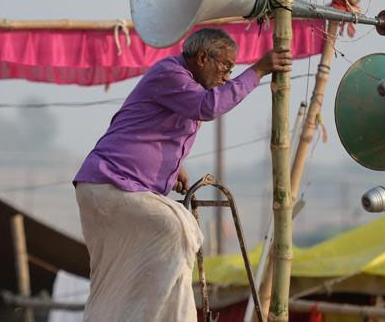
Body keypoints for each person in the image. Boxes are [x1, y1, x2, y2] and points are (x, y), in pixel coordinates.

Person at [73, 28, 292, 322]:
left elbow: (155, 128)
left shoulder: (182, 84)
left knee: (124, 276)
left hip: (116, 188)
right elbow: (208, 107)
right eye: (226, 66)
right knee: (178, 228)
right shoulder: (170, 73)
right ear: (203, 57)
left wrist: (173, 167)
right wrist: (258, 71)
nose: (227, 76)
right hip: (109, 184)